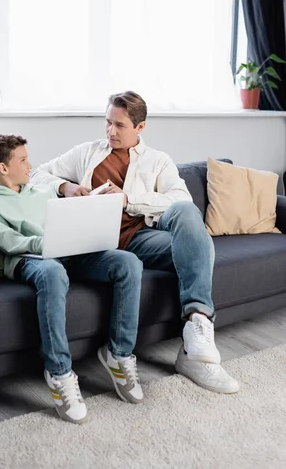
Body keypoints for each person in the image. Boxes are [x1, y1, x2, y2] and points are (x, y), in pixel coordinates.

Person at [31, 91, 240, 394]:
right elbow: (38, 174)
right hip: (97, 243)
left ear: (140, 127)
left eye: (119, 125)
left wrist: (129, 200)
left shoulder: (158, 161)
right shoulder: (86, 152)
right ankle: (194, 338)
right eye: (107, 123)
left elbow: (180, 199)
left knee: (187, 219)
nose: (111, 131)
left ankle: (198, 322)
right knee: (201, 249)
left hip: (140, 239)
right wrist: (66, 186)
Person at [0, 134, 145, 425]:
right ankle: (59, 373)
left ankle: (120, 355)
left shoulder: (40, 190)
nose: (30, 165)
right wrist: (46, 244)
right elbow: (7, 240)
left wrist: (85, 218)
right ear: (4, 168)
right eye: (23, 160)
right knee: (54, 273)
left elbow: (67, 216)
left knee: (127, 262)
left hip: (69, 250)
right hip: (31, 260)